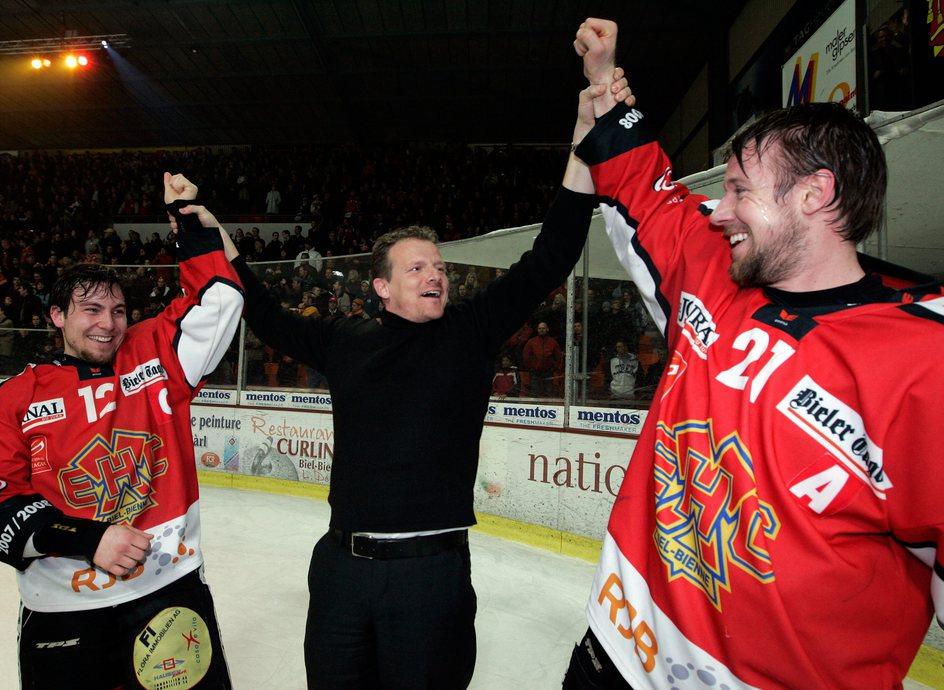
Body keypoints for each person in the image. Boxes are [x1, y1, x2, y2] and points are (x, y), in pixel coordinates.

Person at [168, 67, 635, 688]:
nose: (435, 274)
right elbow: (262, 308)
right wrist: (205, 231)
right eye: (417, 268)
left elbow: (551, 254)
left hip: (431, 577)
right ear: (382, 286)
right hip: (340, 570)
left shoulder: (471, 330)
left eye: (438, 266)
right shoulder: (344, 340)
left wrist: (584, 134)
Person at [564, 18, 944, 690]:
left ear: (814, 194)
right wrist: (603, 82)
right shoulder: (714, 272)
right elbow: (644, 189)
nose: (720, 210)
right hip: (616, 659)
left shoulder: (924, 363)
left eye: (741, 189)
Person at [0, 173, 244, 690]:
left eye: (118, 310)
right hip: (66, 614)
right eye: (90, 310)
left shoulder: (155, 353)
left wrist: (189, 222)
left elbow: (219, 302)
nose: (108, 323)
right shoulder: (9, 400)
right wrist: (90, 539)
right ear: (57, 316)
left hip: (169, 593)